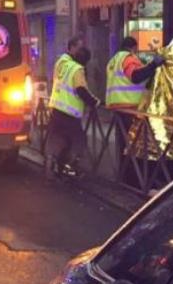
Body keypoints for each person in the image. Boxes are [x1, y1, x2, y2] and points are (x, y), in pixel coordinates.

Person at [105, 37, 165, 181]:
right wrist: (153, 65)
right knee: (134, 145)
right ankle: (133, 179)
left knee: (124, 145)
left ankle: (124, 176)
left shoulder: (113, 60)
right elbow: (136, 76)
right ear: (133, 47)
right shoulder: (128, 58)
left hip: (118, 106)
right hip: (129, 107)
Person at [46, 46, 99, 180]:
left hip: (56, 109)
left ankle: (53, 163)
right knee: (78, 141)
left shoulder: (63, 65)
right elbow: (81, 90)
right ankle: (70, 167)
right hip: (70, 112)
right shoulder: (77, 69)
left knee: (59, 139)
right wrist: (95, 102)